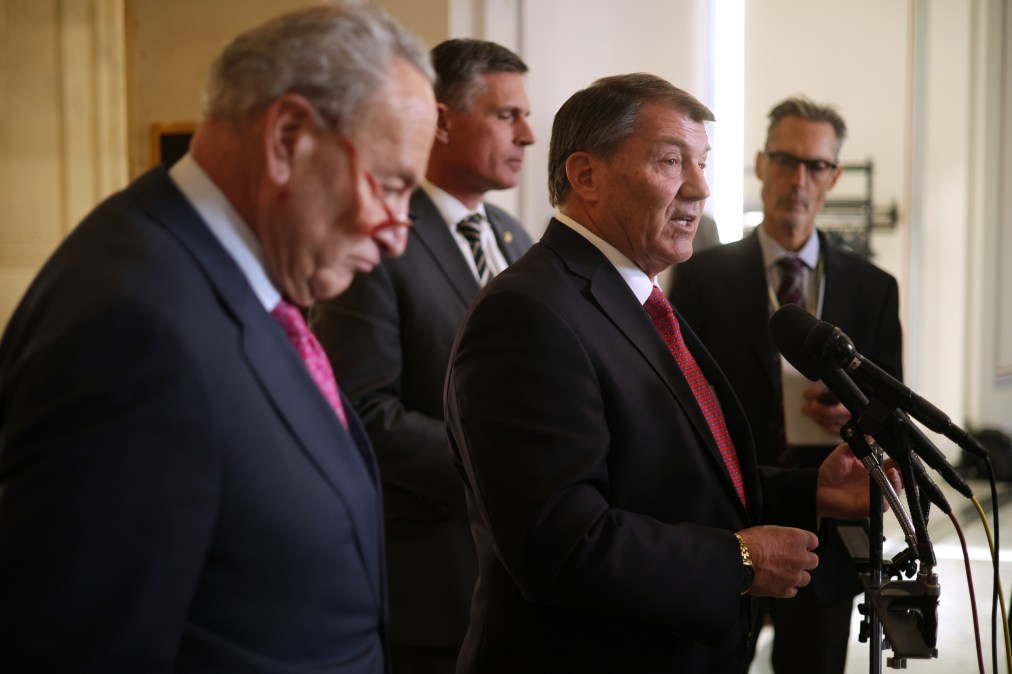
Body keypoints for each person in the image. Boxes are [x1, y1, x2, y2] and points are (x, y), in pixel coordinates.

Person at [0, 4, 437, 672]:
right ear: (288, 138)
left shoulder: (222, 276)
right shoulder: (133, 329)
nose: (399, 231)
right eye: (389, 186)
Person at [444, 73, 899, 673]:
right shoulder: (528, 312)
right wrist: (737, 559)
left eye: (703, 163)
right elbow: (562, 544)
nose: (700, 188)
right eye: (670, 161)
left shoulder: (637, 296)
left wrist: (810, 490)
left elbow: (671, 475)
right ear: (586, 176)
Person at [310, 38, 534, 674]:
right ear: (441, 121)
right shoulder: (381, 237)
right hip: (433, 579)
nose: (528, 135)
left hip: (525, 575)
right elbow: (360, 408)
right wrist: (500, 469)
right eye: (506, 115)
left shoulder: (516, 239)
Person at [670, 96, 903, 674]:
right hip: (727, 523)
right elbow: (676, 401)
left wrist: (856, 416)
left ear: (834, 176)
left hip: (829, 530)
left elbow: (891, 402)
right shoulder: (701, 278)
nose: (799, 179)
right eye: (785, 160)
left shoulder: (873, 288)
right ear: (760, 164)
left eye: (816, 166)